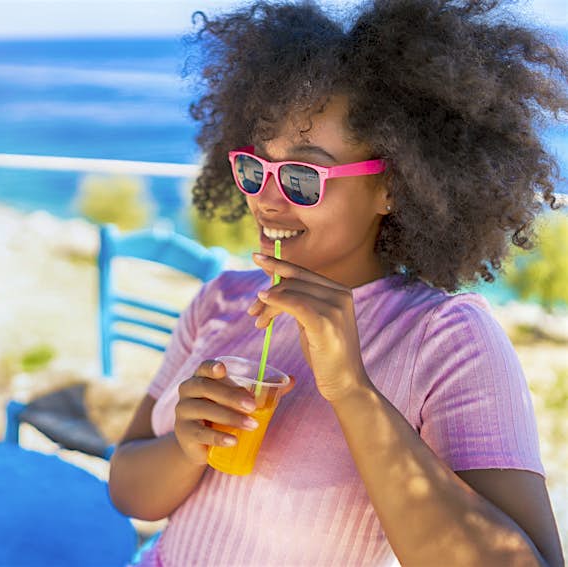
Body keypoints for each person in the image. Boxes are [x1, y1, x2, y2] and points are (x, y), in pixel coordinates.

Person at [107, 0, 567, 565]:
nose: (266, 199)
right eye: (256, 167)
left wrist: (352, 389)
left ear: (394, 186)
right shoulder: (222, 299)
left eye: (303, 176)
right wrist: (185, 446)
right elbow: (128, 493)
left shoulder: (446, 340)